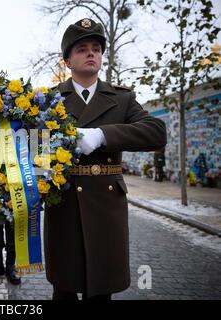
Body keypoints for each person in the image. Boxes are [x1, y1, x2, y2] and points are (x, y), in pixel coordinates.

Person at [44, 18, 167, 300]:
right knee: (63, 289)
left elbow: (156, 132)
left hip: (106, 208)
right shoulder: (49, 100)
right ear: (67, 61)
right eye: (82, 48)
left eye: (96, 48)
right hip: (64, 205)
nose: (91, 53)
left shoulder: (121, 99)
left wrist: (102, 135)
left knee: (101, 290)